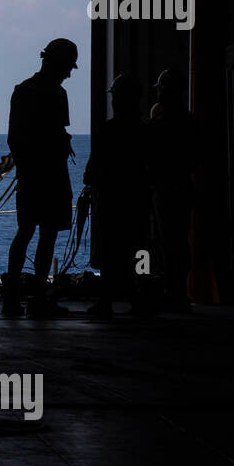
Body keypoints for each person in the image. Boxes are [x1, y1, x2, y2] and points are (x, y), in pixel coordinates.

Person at [3, 38, 78, 318]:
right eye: (68, 67)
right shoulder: (57, 94)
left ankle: (11, 298)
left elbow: (14, 139)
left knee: (24, 233)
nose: (69, 73)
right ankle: (37, 299)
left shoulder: (22, 91)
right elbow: (57, 135)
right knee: (47, 237)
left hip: (31, 176)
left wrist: (26, 166)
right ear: (58, 63)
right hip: (52, 175)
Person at [83, 73, 150, 316]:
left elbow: (92, 170)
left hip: (111, 201)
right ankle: (139, 294)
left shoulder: (109, 130)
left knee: (110, 251)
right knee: (140, 248)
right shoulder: (144, 130)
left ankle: (106, 300)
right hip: (137, 201)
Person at [146, 69, 198, 312]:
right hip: (183, 186)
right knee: (179, 239)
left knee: (165, 240)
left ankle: (170, 289)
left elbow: (148, 161)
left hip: (164, 187)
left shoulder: (158, 124)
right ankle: (178, 290)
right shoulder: (190, 122)